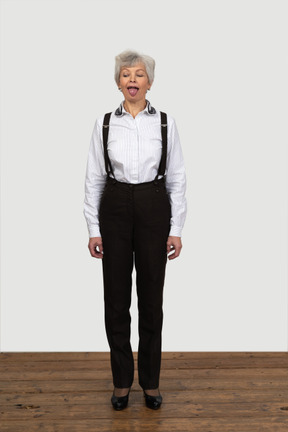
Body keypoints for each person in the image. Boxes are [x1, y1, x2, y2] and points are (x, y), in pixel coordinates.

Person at [83, 49, 187, 410]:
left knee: (151, 300)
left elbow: (176, 178)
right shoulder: (104, 124)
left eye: (139, 74)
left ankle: (151, 382)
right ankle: (122, 382)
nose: (132, 80)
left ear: (150, 82)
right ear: (117, 82)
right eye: (126, 74)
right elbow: (94, 178)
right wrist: (94, 228)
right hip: (113, 208)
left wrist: (175, 228)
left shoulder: (165, 123)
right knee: (115, 298)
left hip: (154, 206)